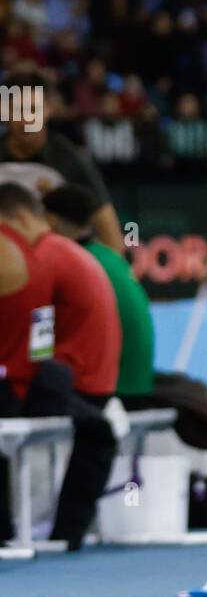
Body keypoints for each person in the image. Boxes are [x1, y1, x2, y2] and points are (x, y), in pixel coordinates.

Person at [0, 182, 120, 548]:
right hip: (93, 381)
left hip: (73, 380)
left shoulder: (45, 257)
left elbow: (34, 333)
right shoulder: (71, 253)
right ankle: (65, 534)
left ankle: (47, 533)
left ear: (21, 217)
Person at [43, 183, 155, 401]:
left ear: (52, 220)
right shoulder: (109, 257)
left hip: (109, 389)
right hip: (134, 385)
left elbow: (39, 330)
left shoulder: (71, 261)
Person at [0, 63, 125, 252]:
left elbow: (109, 230)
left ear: (49, 109)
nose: (26, 120)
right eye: (17, 110)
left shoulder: (71, 159)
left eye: (33, 110)